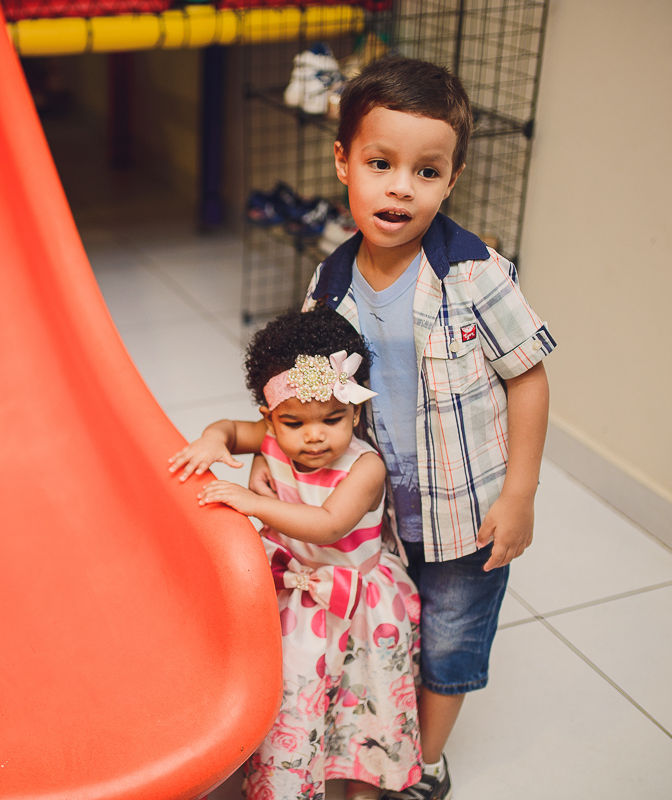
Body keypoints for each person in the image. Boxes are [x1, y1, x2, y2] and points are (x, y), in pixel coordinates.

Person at [249, 55, 556, 800]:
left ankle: (426, 764)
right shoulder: (330, 283)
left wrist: (519, 494)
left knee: (449, 641)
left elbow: (529, 377)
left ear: (451, 181)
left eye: (426, 171)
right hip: (376, 511)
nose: (400, 187)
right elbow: (313, 393)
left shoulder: (476, 274)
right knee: (390, 625)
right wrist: (259, 449)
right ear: (343, 162)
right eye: (380, 163)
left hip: (467, 511)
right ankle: (373, 740)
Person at [170, 307, 422, 800]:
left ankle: (362, 785)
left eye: (332, 419)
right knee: (291, 697)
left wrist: (253, 503)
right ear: (270, 417)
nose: (314, 435)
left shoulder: (364, 468)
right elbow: (228, 428)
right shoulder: (271, 439)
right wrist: (212, 440)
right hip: (290, 595)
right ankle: (282, 779)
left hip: (354, 606)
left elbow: (330, 525)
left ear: (355, 412)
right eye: (294, 422)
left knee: (362, 701)